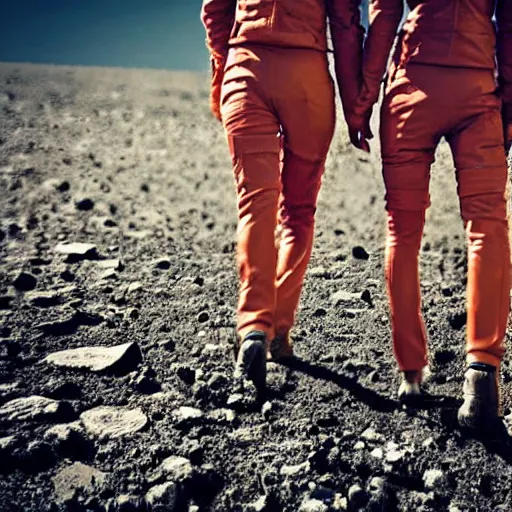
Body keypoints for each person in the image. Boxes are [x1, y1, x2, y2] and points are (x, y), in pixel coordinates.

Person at [353, 0, 512, 431]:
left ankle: (411, 374)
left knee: (402, 232)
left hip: (412, 86)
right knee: (487, 227)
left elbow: (385, 15)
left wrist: (363, 98)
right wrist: (509, 103)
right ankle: (482, 370)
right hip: (478, 87)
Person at [200, 0, 370, 389]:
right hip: (307, 78)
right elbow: (345, 25)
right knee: (298, 211)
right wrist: (355, 109)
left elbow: (215, 10)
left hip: (246, 68)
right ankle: (277, 328)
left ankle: (253, 325)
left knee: (255, 205)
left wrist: (221, 74)